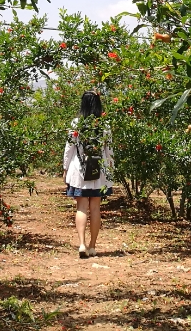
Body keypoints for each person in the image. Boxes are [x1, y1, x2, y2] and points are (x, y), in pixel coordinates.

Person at [62, 91, 114, 258]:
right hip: (98, 170)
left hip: (80, 169)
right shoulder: (104, 125)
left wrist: (65, 169)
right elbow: (109, 151)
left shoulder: (76, 123)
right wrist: (110, 169)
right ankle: (92, 246)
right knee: (95, 208)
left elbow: (69, 148)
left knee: (82, 207)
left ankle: (82, 244)